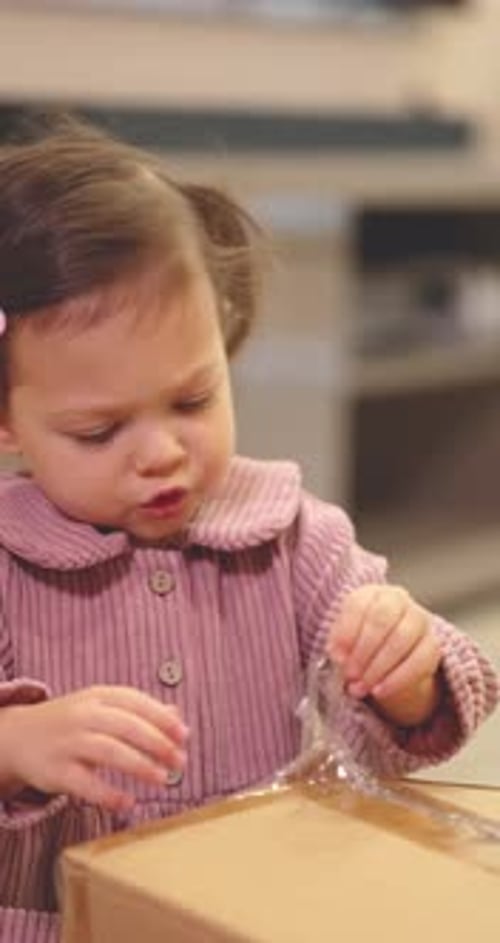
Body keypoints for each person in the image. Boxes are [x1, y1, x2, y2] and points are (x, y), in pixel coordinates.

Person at [0, 114, 496, 943]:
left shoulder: (294, 535)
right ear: (8, 422)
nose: (161, 454)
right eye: (99, 432)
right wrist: (14, 742)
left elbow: (423, 706)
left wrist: (407, 669)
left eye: (193, 400)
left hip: (249, 908)